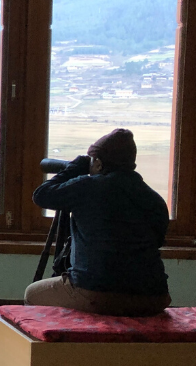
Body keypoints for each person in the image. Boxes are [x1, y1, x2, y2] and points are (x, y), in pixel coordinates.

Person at [26, 128, 170, 317]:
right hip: (154, 296)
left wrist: (73, 170)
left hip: (96, 293)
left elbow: (41, 195)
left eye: (91, 161)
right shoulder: (154, 198)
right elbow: (157, 241)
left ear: (99, 164)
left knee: (32, 294)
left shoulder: (88, 187)